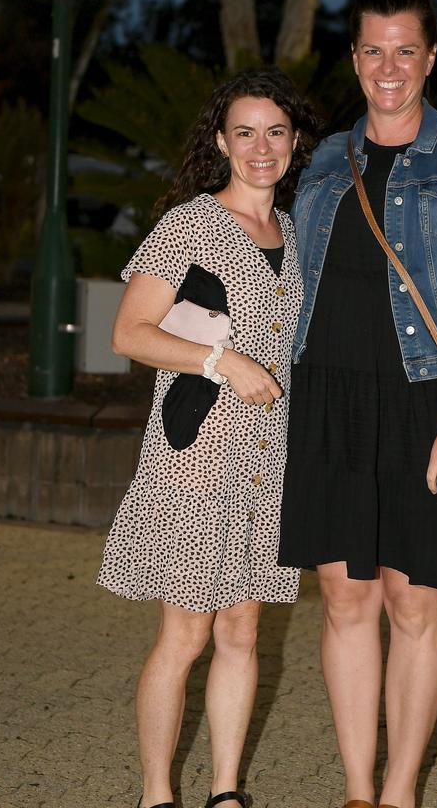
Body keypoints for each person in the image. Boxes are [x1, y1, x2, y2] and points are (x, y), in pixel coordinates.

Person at [278, 0, 437, 808]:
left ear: (431, 58)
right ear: (354, 58)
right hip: (330, 401)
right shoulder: (319, 163)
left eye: (405, 51)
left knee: (414, 607)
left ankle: (400, 793)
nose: (389, 69)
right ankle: (356, 791)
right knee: (345, 603)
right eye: (374, 52)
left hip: (427, 400)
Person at [97, 68, 317, 808]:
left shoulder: (294, 229)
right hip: (197, 455)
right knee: (186, 636)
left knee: (243, 633)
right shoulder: (190, 224)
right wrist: (222, 360)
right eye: (245, 132)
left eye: (276, 132)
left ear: (295, 141)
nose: (262, 148)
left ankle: (226, 792)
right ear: (221, 141)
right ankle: (158, 795)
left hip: (268, 463)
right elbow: (128, 332)